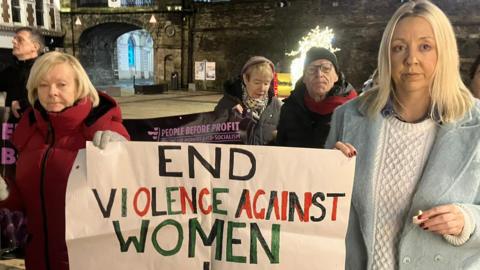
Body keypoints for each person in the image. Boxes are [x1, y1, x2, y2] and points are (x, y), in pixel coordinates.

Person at [326, 1, 480, 269]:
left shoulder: (475, 123)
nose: (411, 59)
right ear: (387, 55)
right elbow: (316, 206)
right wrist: (326, 171)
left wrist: (468, 221)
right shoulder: (348, 117)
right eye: (399, 48)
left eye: (425, 46)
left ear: (443, 52)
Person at [0, 51, 130, 270]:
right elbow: (25, 200)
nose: (52, 93)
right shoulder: (29, 131)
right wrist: (6, 193)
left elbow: (132, 192)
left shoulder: (102, 128)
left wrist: (124, 153)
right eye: (43, 85)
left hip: (87, 261)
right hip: (39, 259)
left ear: (79, 86)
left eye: (62, 84)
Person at [276, 47, 357, 148]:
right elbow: (279, 147)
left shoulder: (352, 111)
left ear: (336, 76)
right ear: (304, 78)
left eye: (326, 69)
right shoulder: (290, 108)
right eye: (312, 70)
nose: (319, 74)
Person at [214, 56, 282, 145]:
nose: (262, 88)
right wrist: (229, 118)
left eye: (266, 83)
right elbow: (212, 134)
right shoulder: (228, 103)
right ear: (246, 79)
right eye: (257, 82)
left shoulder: (277, 106)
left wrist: (279, 137)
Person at [0, 27, 44, 120]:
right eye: (14, 39)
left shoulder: (45, 69)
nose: (14, 42)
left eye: (20, 39)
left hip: (38, 126)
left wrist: (23, 104)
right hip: (11, 128)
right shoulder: (10, 71)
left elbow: (51, 96)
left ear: (35, 47)